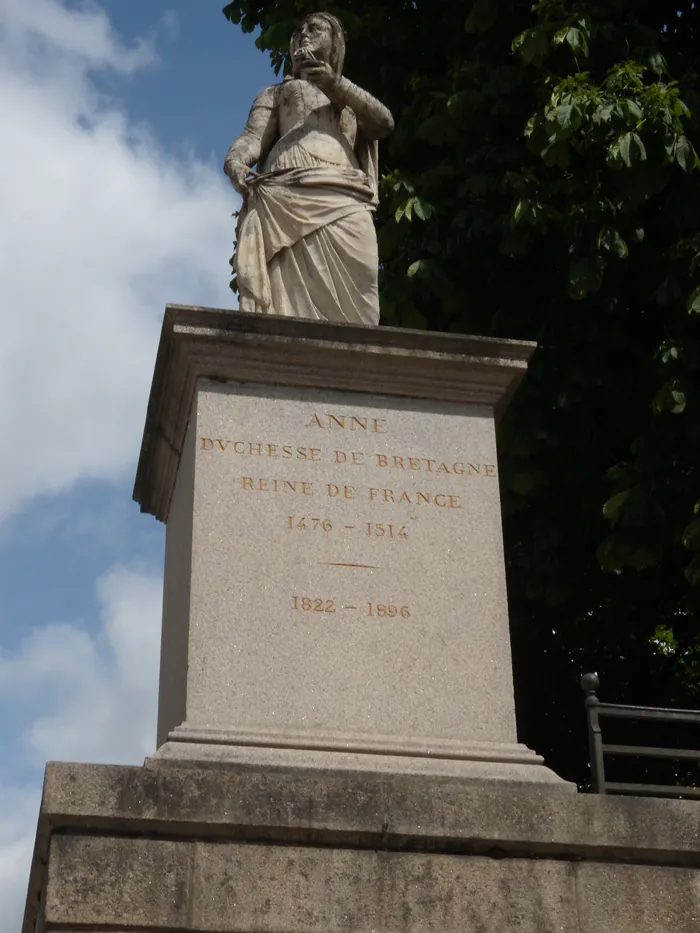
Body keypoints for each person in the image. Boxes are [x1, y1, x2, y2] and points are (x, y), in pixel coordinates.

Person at [224, 12, 394, 325]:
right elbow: (252, 139)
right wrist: (235, 162)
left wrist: (336, 85)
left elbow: (384, 123)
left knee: (361, 281)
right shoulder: (275, 93)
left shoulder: (350, 95)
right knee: (288, 303)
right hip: (285, 194)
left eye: (314, 29)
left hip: (344, 191)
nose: (304, 34)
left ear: (335, 42)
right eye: (299, 30)